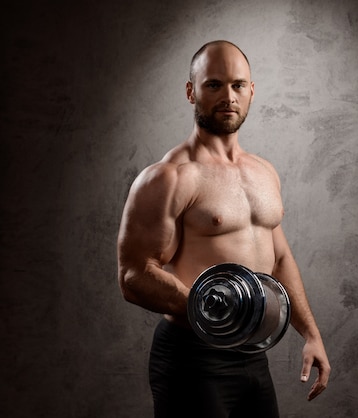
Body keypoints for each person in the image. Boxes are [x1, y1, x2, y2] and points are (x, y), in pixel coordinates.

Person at [116, 40, 330, 417]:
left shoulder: (263, 172)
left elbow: (279, 258)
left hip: (252, 356)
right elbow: (133, 275)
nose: (228, 96)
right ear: (190, 91)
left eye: (238, 85)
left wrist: (310, 334)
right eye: (213, 85)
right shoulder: (169, 177)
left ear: (251, 91)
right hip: (192, 357)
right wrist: (216, 315)